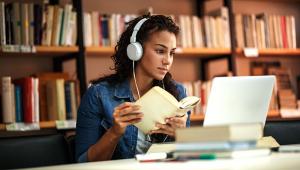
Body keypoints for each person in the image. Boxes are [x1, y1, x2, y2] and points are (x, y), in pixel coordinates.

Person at [75, 14, 191, 162]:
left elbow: (186, 160)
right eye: (160, 51)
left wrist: (182, 135)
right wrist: (114, 132)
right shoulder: (98, 95)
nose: (167, 60)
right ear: (136, 50)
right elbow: (83, 162)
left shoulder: (178, 93)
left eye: (172, 53)